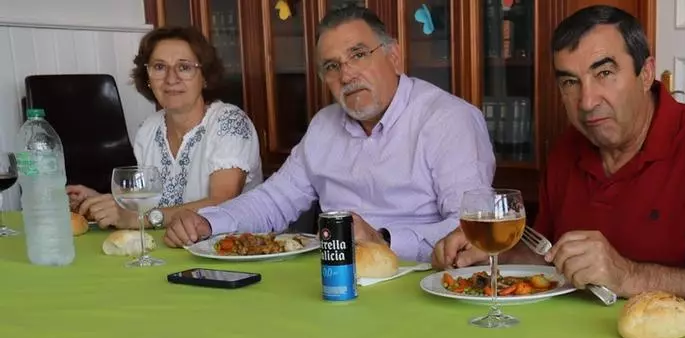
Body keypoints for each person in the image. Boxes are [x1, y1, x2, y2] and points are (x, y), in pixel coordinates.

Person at [432, 5, 685, 306]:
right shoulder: (567, 148)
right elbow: (550, 259)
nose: (587, 101)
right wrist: (496, 253)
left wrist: (629, 276)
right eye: (570, 82)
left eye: (604, 73)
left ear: (646, 73)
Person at [163, 6, 494, 262]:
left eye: (358, 55)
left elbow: (472, 226)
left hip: (417, 279)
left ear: (394, 57)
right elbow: (273, 201)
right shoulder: (324, 125)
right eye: (332, 66)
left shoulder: (448, 120)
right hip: (332, 276)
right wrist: (209, 223)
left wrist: (384, 240)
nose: (346, 75)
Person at [67, 26, 261, 230]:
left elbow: (222, 203)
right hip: (170, 243)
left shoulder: (230, 122)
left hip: (230, 245)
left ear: (204, 76)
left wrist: (140, 219)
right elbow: (143, 203)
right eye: (159, 67)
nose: (171, 79)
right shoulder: (149, 129)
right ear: (148, 78)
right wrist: (102, 202)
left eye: (184, 67)